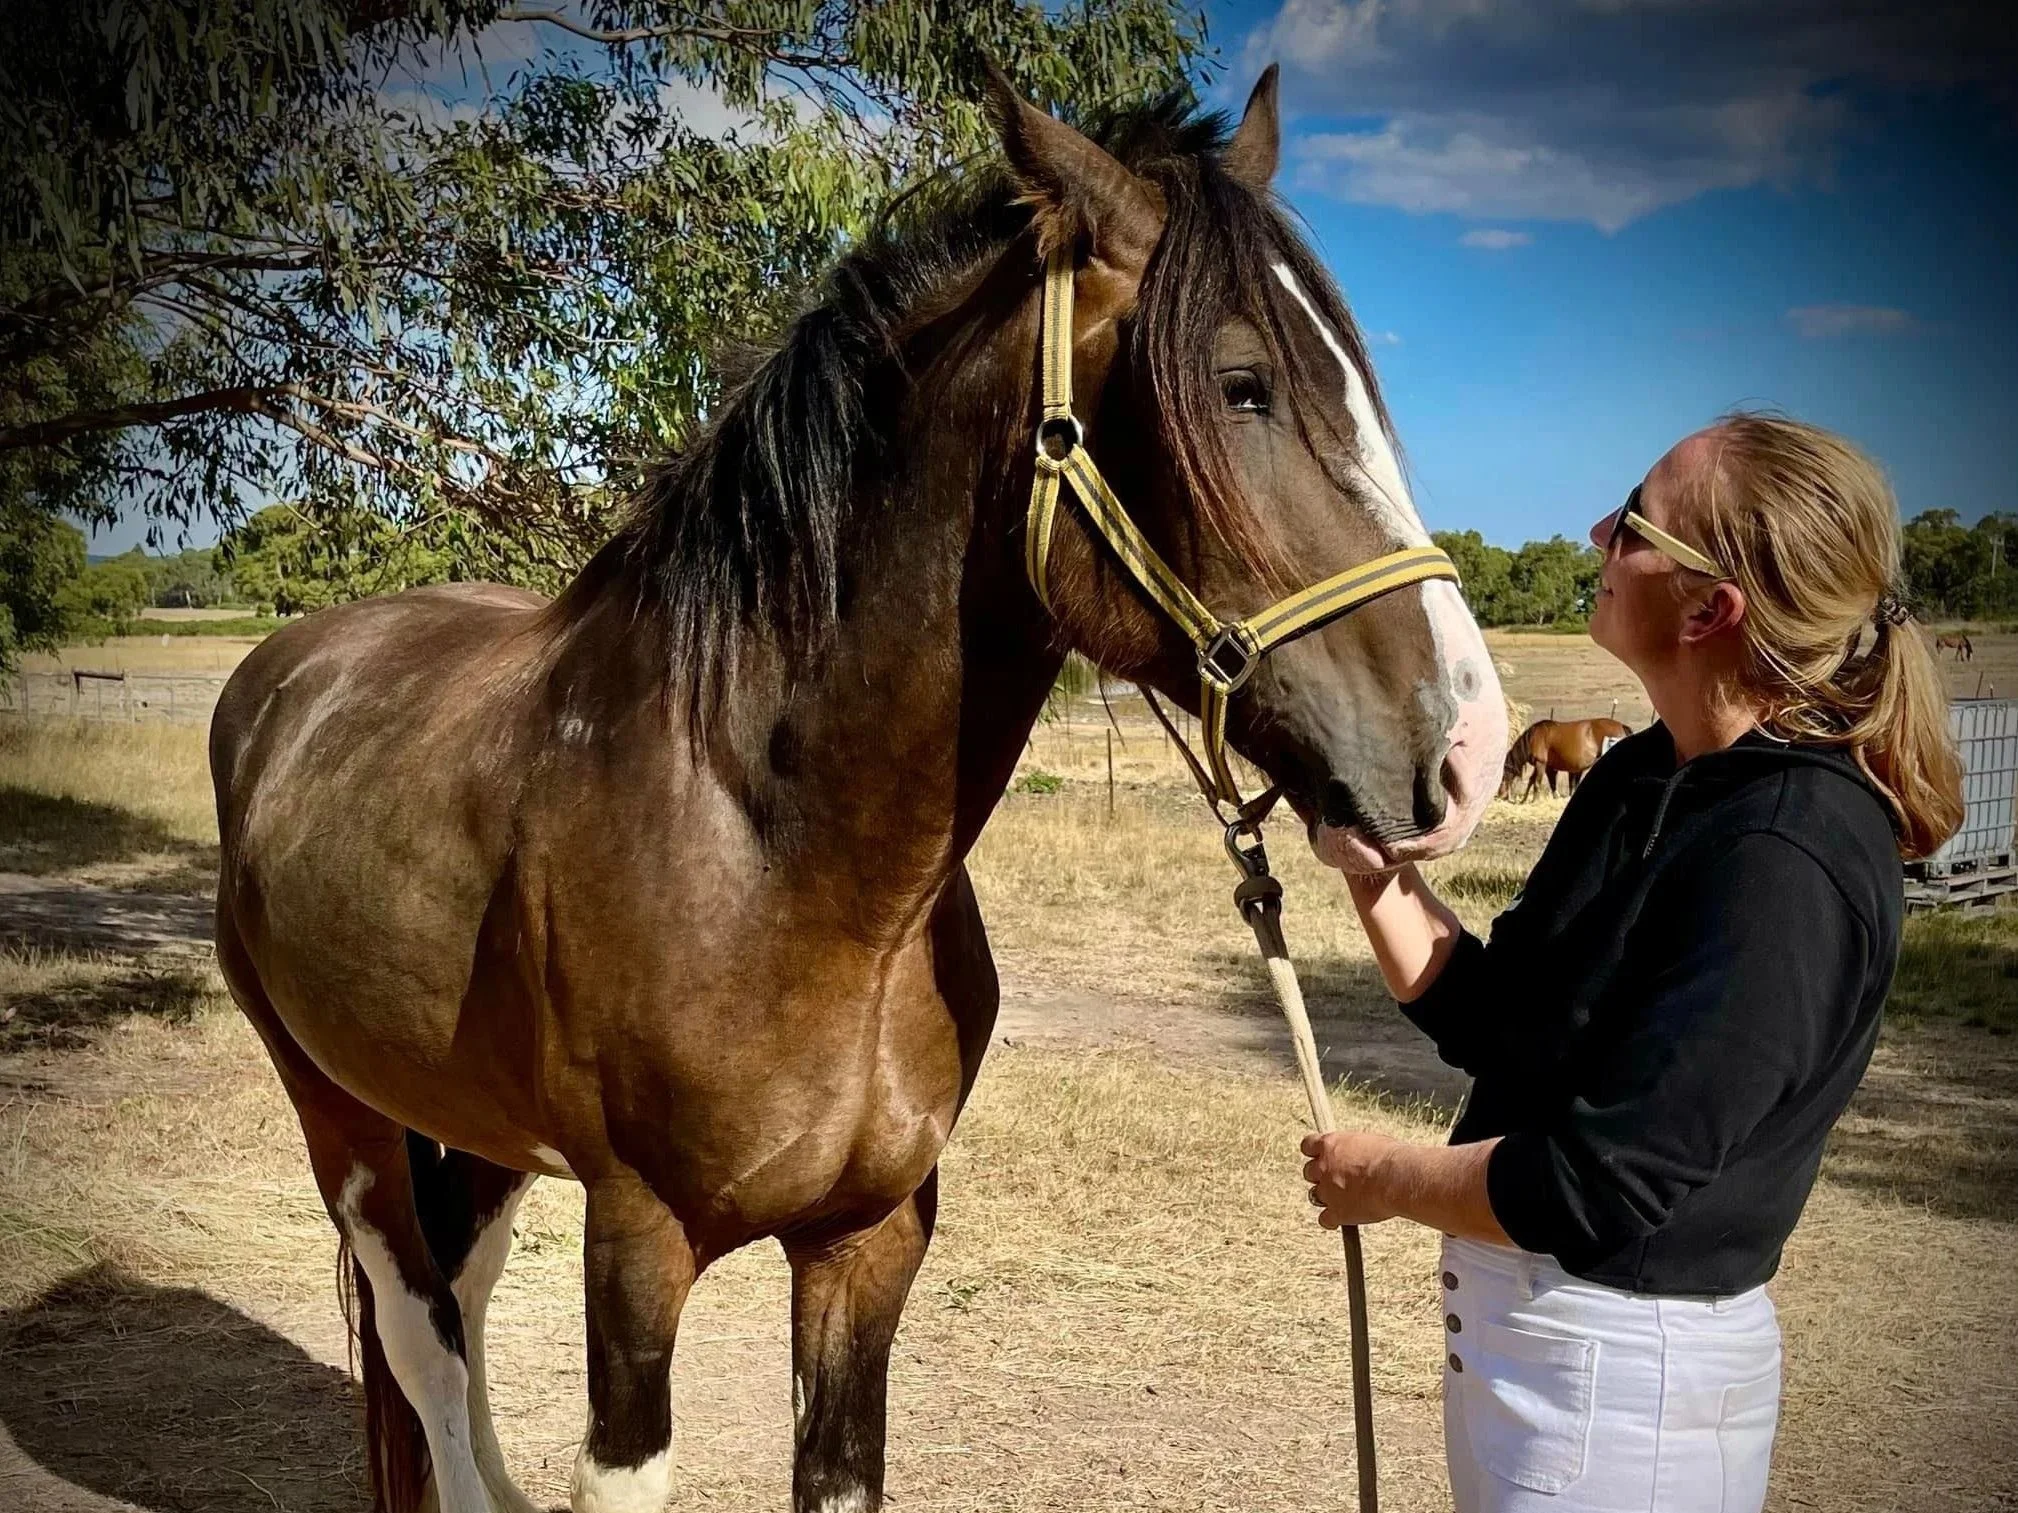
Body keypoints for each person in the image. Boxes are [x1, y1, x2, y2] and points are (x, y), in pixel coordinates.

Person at [1299, 414, 1964, 1511]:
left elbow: (1596, 1182)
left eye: (1637, 523)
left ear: (1709, 610)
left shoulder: (1786, 855)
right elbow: (1498, 1020)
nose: (1598, 528)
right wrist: (1370, 871)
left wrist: (1381, 1179)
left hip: (1622, 1391)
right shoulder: (1641, 777)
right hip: (1531, 1359)